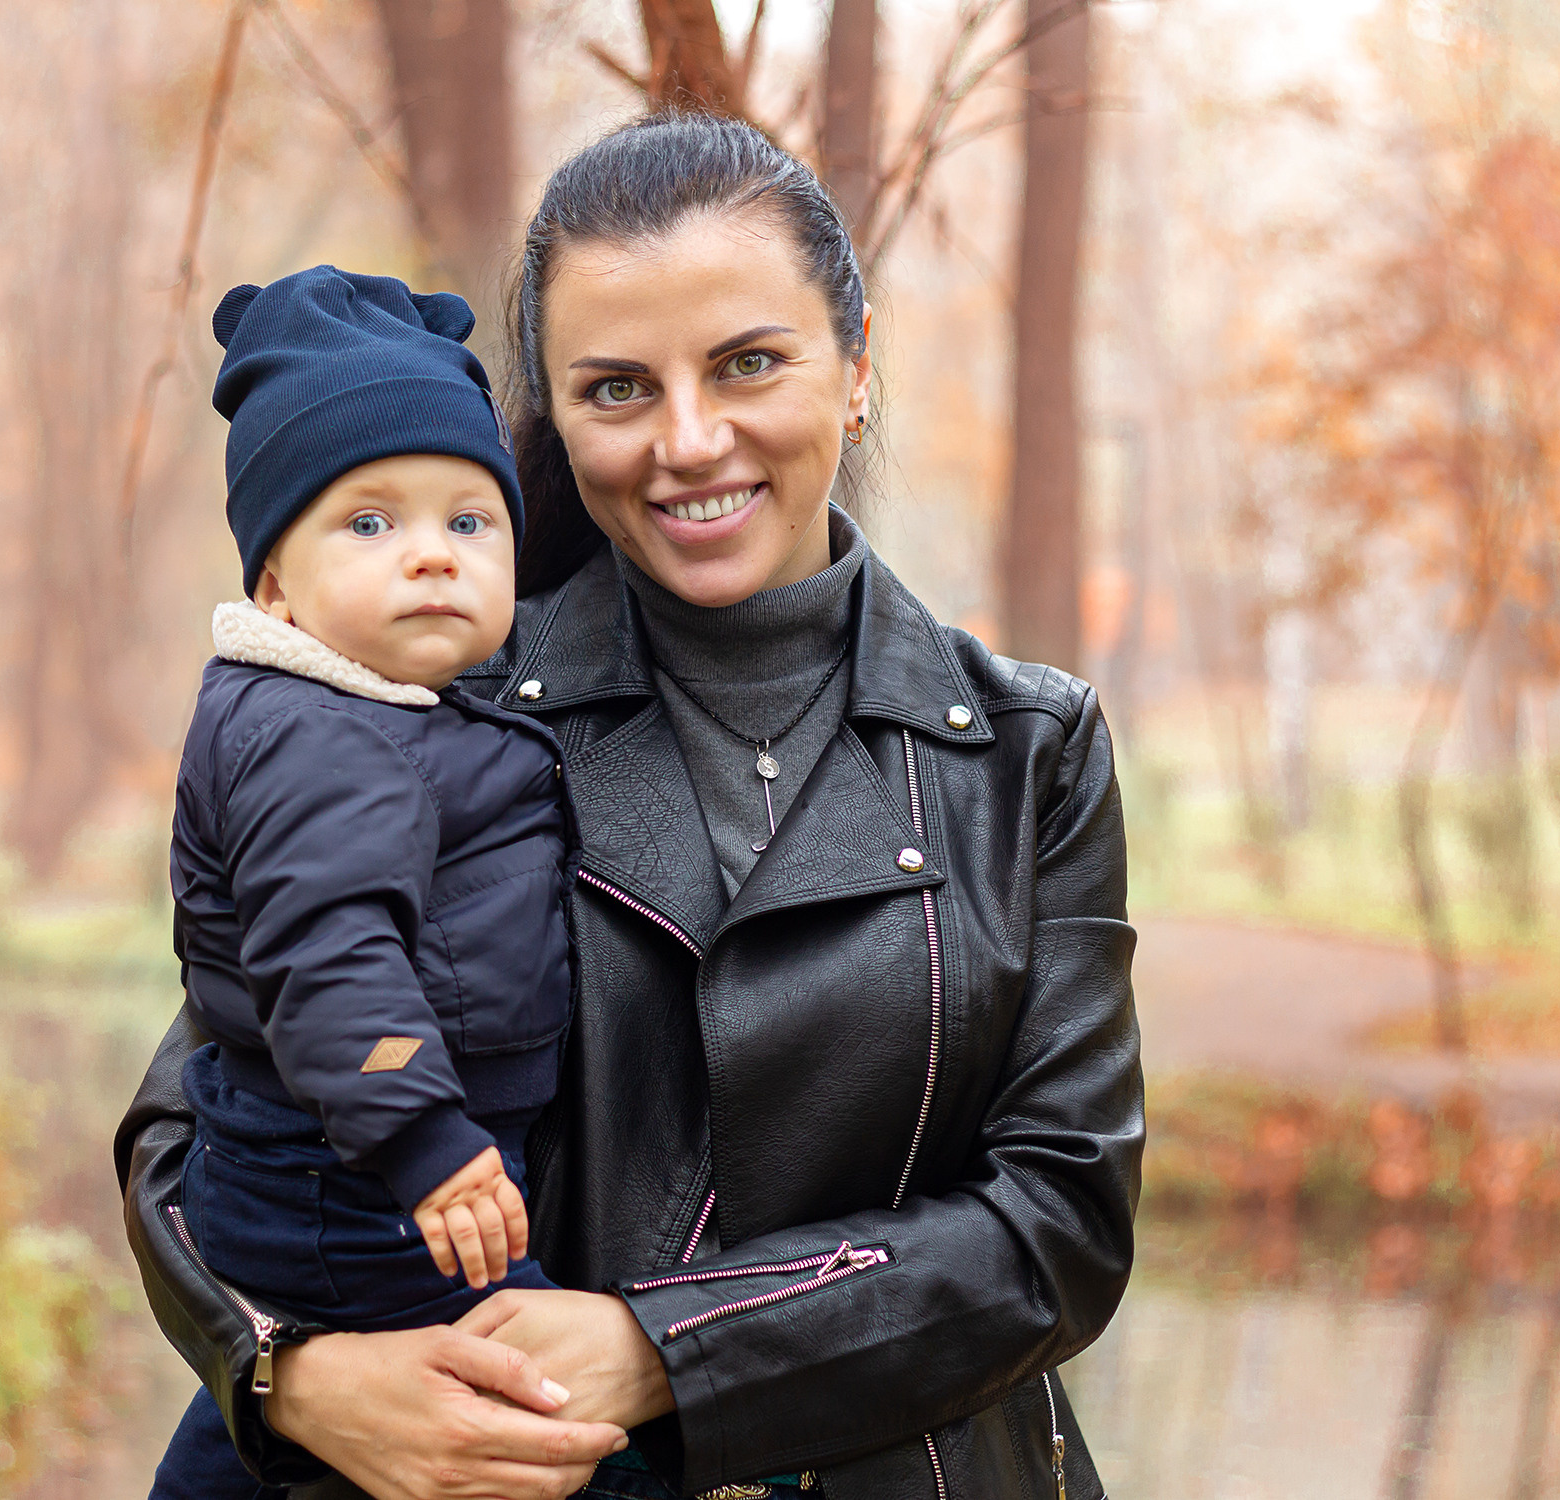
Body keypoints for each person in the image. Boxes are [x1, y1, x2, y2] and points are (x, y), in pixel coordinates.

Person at [118, 113, 1142, 1500]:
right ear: (552, 420)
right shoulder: (427, 706)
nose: (690, 439)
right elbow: (205, 1111)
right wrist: (292, 1378)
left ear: (854, 369)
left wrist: (665, 1351)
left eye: (748, 363)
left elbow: (1062, 1223)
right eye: (617, 389)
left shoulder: (1026, 750)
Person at [146, 266, 607, 1500]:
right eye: (369, 524)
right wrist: (427, 1142)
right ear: (275, 585)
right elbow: (328, 960)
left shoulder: (393, 716)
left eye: (471, 524)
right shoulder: (318, 737)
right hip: (366, 1180)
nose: (431, 558)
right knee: (539, 1411)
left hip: (369, 1167)